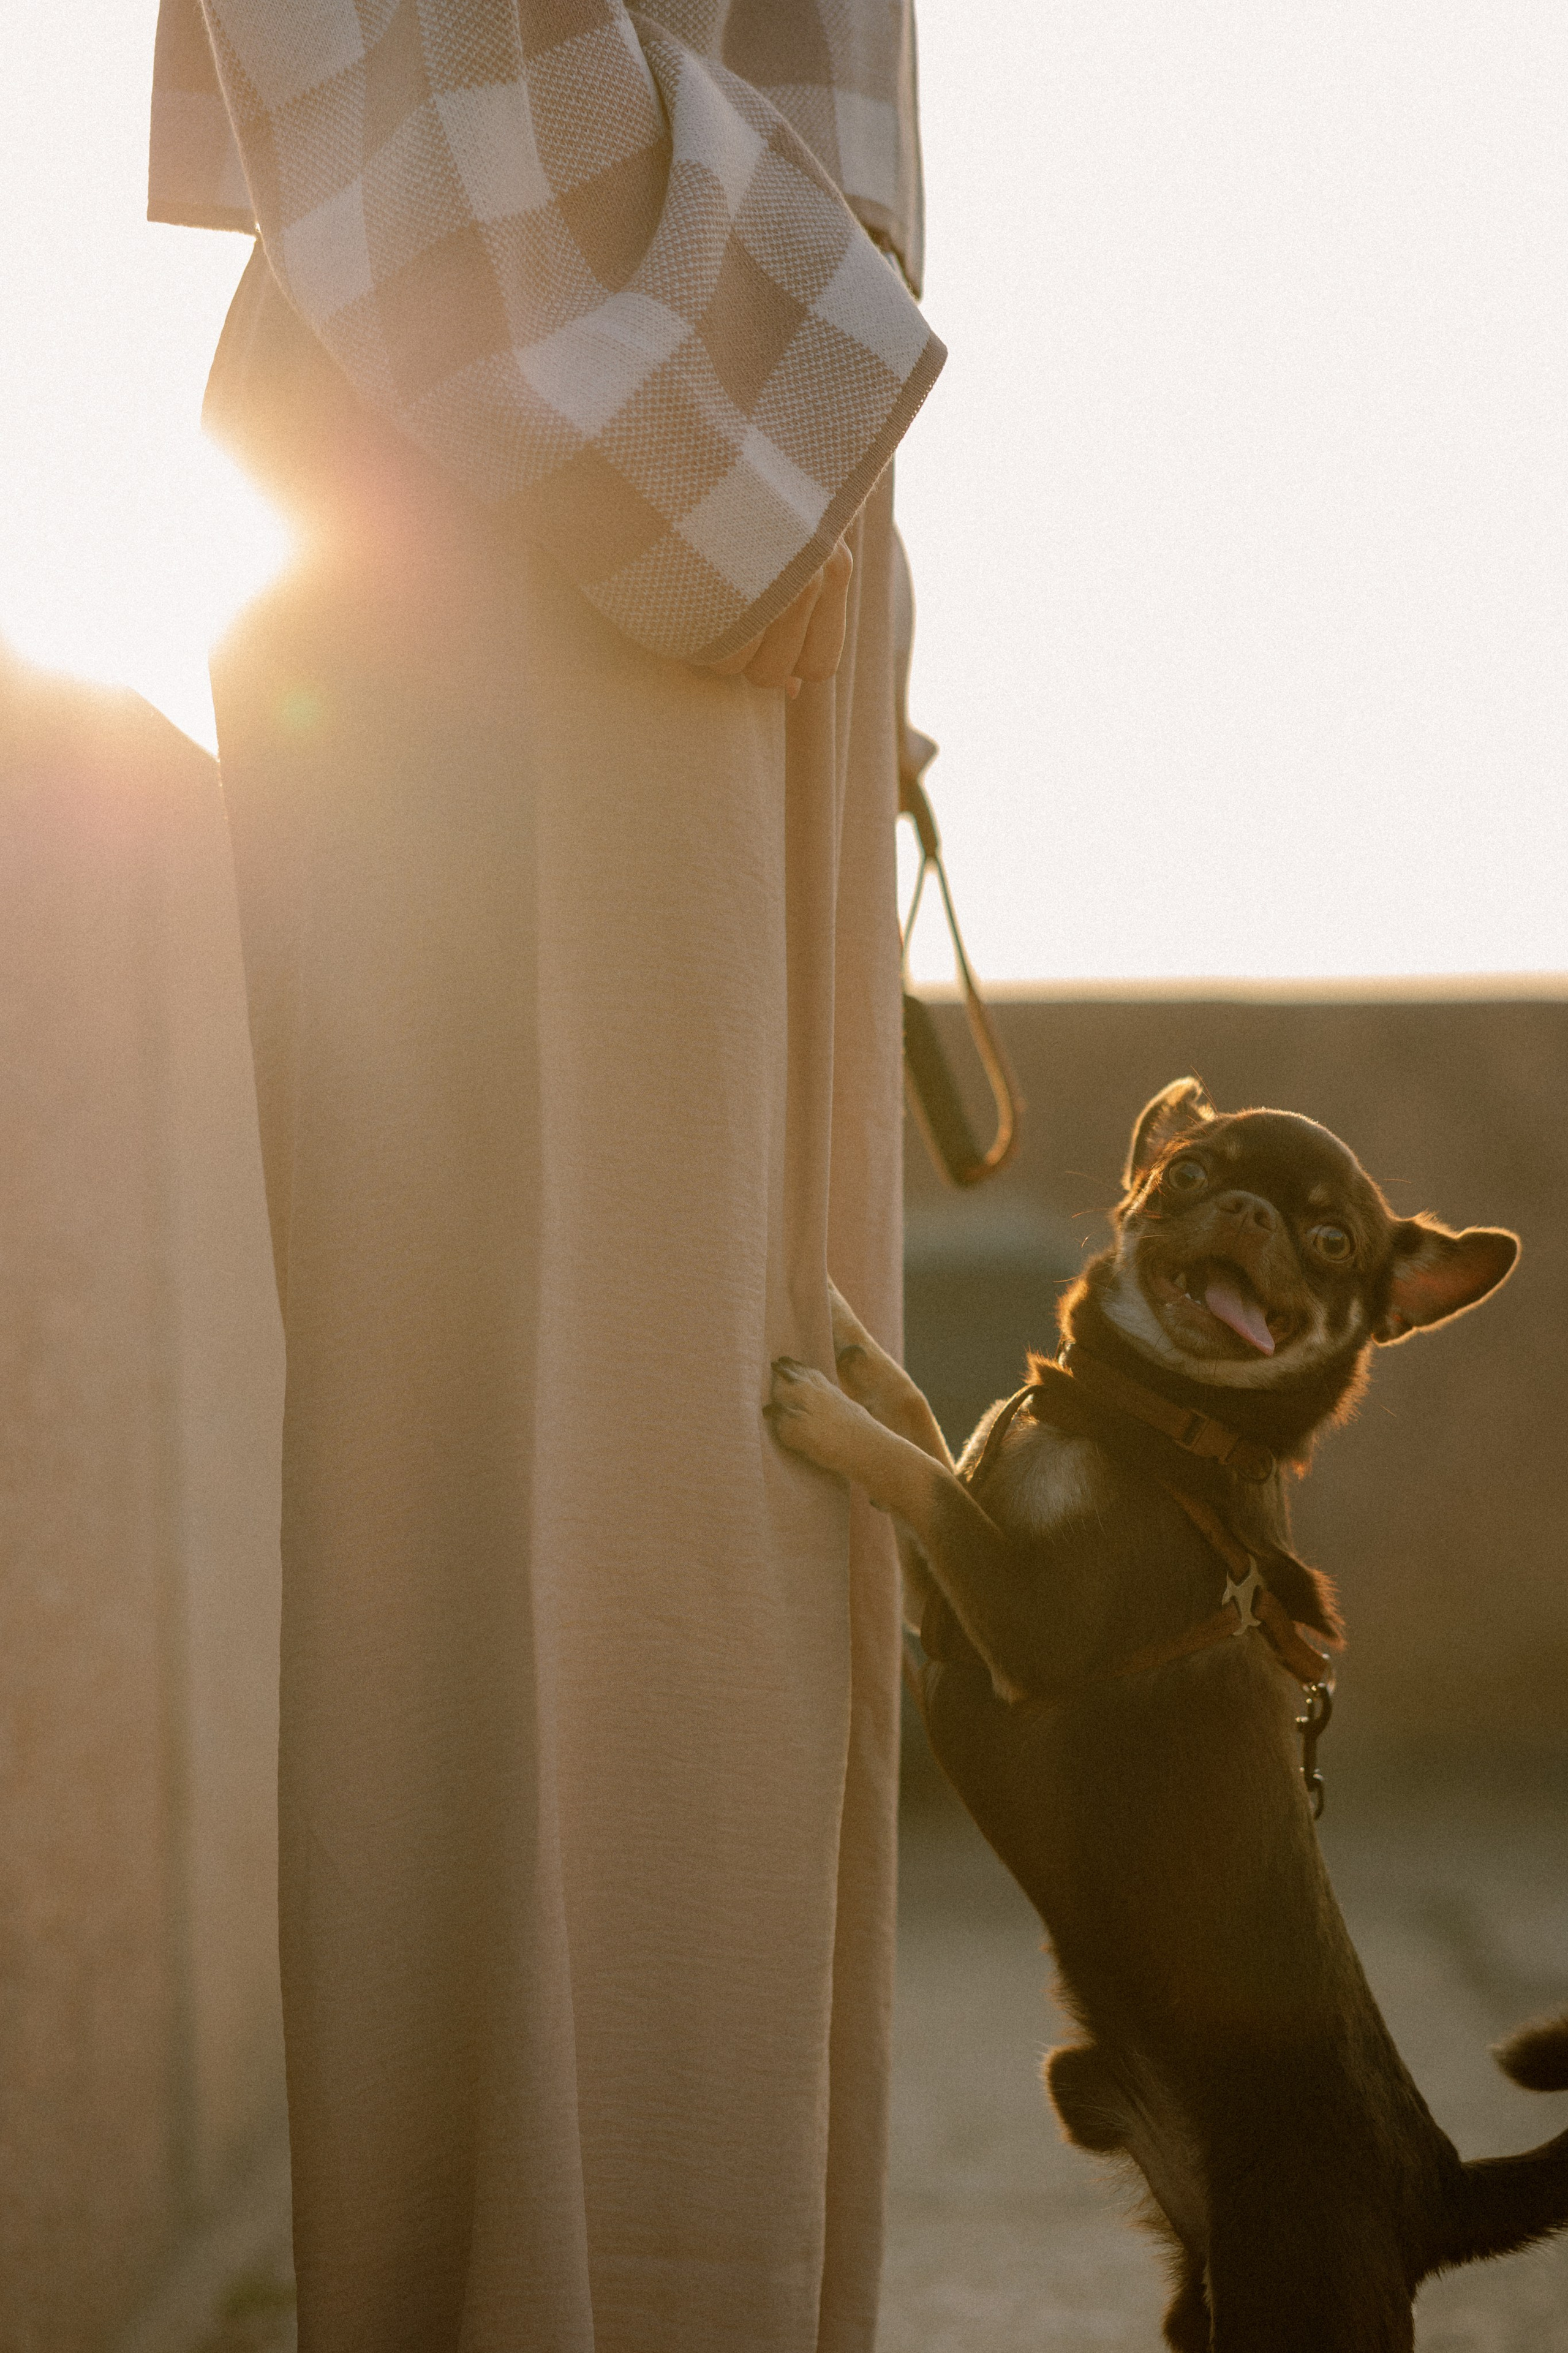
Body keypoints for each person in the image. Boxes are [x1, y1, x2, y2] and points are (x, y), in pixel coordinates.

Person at [148, 6, 943, 2347]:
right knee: (577, 1539)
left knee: (706, 1524)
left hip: (677, 389)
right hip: (580, 411)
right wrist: (728, 405)